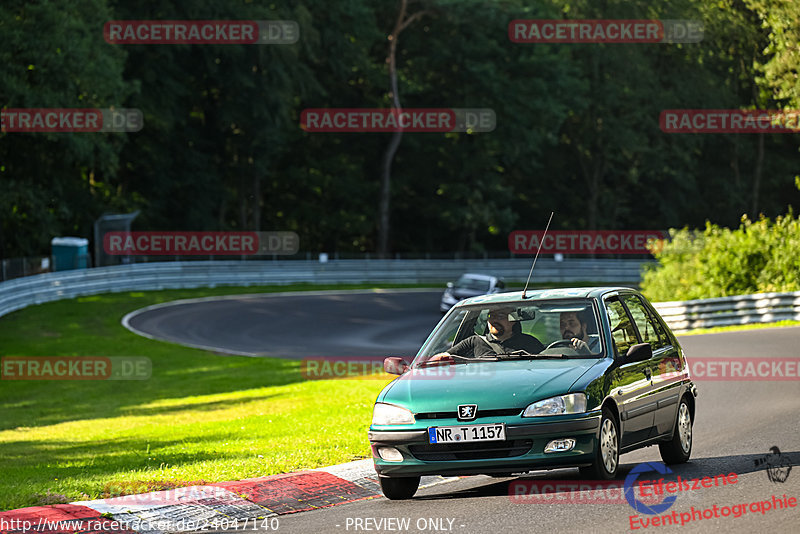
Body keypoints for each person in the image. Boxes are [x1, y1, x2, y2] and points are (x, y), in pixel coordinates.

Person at [428, 307, 544, 361]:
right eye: (491, 316)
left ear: (513, 320)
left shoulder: (530, 343)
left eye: (500, 316)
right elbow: (443, 357)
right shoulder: (474, 342)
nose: (493, 320)